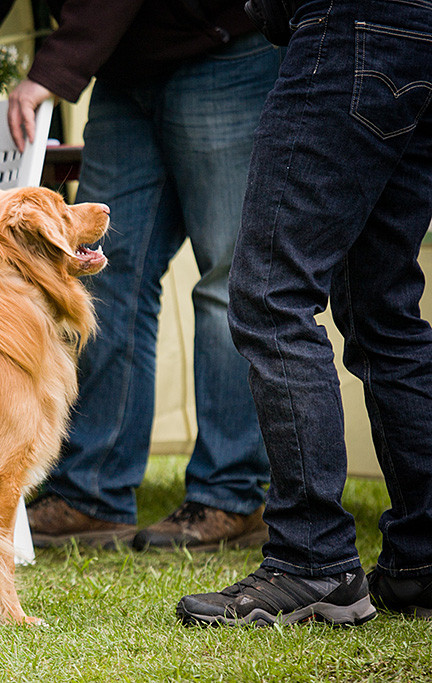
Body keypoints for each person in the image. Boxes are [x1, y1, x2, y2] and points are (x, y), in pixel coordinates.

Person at [0, 0, 278, 551]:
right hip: (122, 68)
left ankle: (229, 496)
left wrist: (51, 71)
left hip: (223, 52)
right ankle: (92, 495)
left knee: (228, 279)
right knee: (99, 281)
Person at [177, 0, 432, 626]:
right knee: (384, 311)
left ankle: (311, 562)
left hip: (348, 25)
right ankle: (421, 562)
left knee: (271, 294)